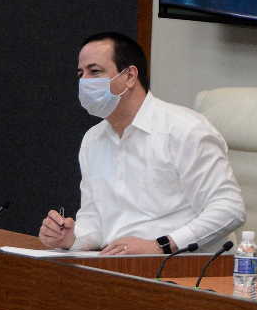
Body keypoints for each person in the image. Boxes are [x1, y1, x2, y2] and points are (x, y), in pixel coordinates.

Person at [38, 32, 246, 255]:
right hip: (117, 264)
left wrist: (160, 245)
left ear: (129, 76)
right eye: (81, 73)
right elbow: (95, 222)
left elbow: (230, 209)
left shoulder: (184, 129)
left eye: (95, 71)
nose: (84, 82)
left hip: (184, 266)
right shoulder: (93, 139)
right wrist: (71, 237)